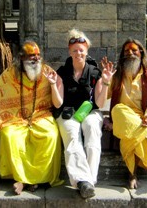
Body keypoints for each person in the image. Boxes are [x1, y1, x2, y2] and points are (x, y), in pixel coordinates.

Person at [0, 41, 64, 195]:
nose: (36, 59)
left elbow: (57, 104)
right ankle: (20, 179)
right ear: (21, 58)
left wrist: (52, 84)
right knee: (9, 136)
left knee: (50, 135)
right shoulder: (10, 74)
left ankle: (33, 180)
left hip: (41, 115)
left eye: (38, 55)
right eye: (31, 56)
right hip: (15, 118)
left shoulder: (48, 72)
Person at [54, 29, 115, 199]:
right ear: (69, 51)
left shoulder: (95, 73)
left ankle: (88, 181)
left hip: (90, 112)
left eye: (81, 50)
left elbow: (100, 103)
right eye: (75, 50)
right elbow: (57, 103)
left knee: (92, 130)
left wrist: (106, 82)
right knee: (72, 134)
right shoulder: (62, 72)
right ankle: (83, 181)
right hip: (67, 112)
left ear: (87, 50)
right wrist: (53, 85)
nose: (78, 53)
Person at [104, 38, 147, 189]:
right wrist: (105, 80)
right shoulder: (117, 74)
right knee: (118, 109)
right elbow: (104, 98)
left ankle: (132, 175)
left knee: (131, 136)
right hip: (121, 115)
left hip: (141, 117)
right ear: (122, 54)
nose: (130, 53)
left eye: (134, 50)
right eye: (127, 51)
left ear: (141, 53)